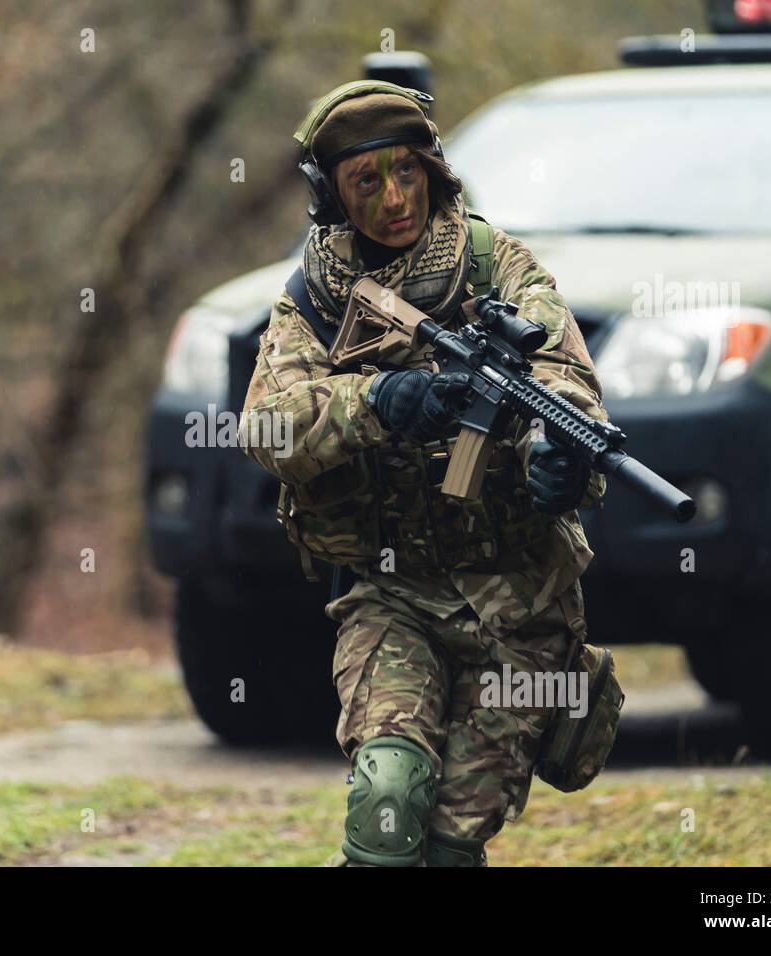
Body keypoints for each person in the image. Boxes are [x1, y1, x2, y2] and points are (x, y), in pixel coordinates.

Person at [240, 80, 610, 866]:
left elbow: (564, 374)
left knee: (446, 845)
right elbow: (268, 424)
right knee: (386, 802)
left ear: (435, 171)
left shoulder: (493, 265)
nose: (394, 198)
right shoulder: (313, 296)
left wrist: (560, 453)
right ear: (330, 196)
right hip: (394, 592)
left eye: (407, 172)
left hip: (521, 609)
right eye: (364, 182)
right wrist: (378, 399)